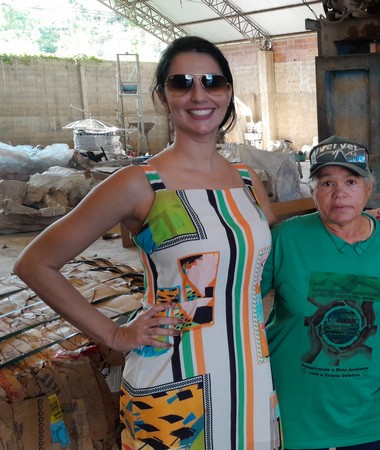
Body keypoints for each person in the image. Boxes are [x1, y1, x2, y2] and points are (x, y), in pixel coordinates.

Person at [15, 36, 281, 448]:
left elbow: (262, 251)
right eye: (182, 83)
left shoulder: (246, 180)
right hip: (175, 382)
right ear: (163, 96)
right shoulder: (139, 184)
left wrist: (372, 219)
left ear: (228, 92)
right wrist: (116, 335)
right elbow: (35, 264)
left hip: (250, 373)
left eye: (212, 81)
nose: (199, 94)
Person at [262, 136, 380, 450]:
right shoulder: (286, 239)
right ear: (311, 190)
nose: (339, 192)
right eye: (326, 182)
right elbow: (238, 302)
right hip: (296, 412)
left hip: (370, 413)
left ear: (369, 188)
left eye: (351, 181)